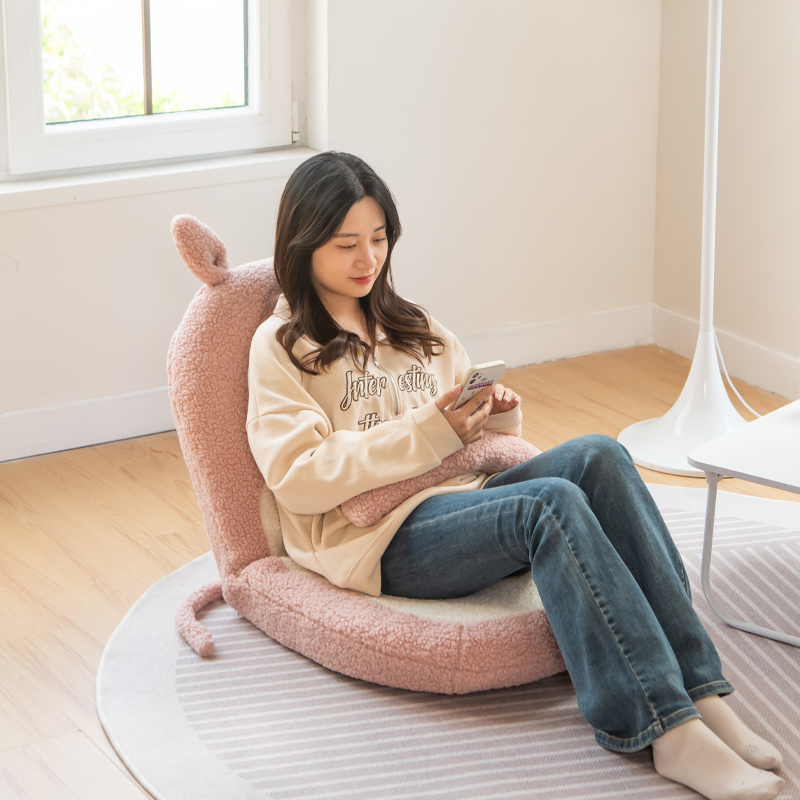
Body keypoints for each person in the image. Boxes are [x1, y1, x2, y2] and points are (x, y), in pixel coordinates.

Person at [246, 151, 784, 800]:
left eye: (381, 239)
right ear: (303, 245)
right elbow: (297, 478)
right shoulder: (283, 349)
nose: (368, 260)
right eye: (346, 245)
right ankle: (666, 729)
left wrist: (492, 415)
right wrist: (431, 433)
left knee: (599, 455)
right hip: (377, 541)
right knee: (549, 504)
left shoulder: (413, 327)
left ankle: (700, 687)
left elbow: (476, 439)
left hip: (459, 502)